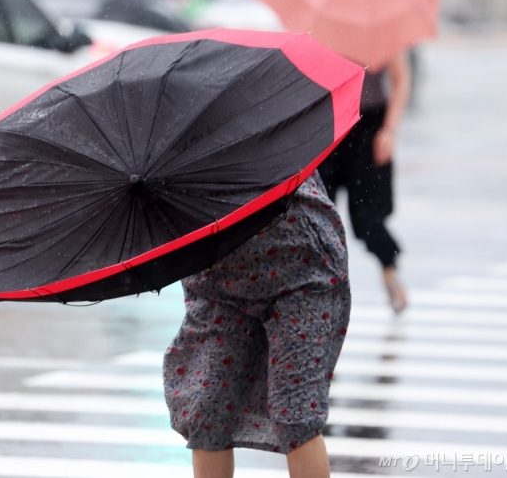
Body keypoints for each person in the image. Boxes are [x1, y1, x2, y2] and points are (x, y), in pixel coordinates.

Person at [163, 170, 350, 478]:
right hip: (218, 277)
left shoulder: (259, 125)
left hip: (302, 268)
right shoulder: (163, 140)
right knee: (208, 409)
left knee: (295, 414)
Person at [317, 51, 411, 314]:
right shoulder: (322, 28)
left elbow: (401, 79)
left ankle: (389, 269)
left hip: (370, 130)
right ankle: (319, 290)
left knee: (368, 220)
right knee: (319, 218)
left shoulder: (380, 29)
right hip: (329, 127)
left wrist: (389, 130)